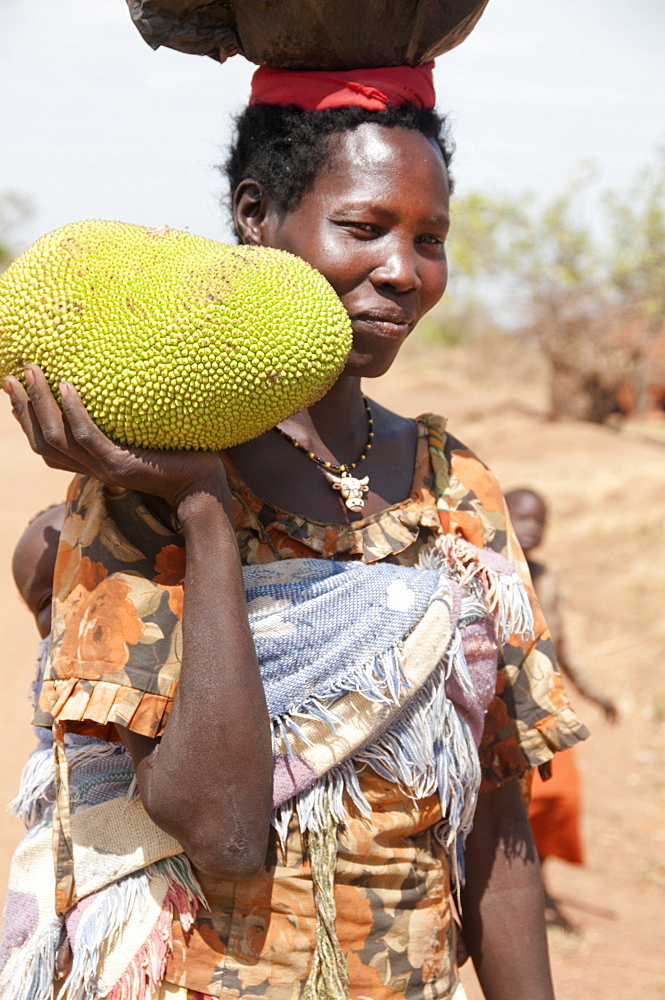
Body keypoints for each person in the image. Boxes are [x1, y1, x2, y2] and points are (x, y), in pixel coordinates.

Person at [2, 64, 589, 1000]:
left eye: (428, 239)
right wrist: (202, 513)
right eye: (363, 228)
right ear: (254, 215)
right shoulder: (146, 485)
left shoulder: (453, 486)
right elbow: (221, 825)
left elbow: (496, 816)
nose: (402, 271)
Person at [505, 487, 618, 927]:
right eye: (522, 517)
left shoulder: (547, 578)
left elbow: (563, 648)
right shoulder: (485, 569)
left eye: (540, 520)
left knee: (559, 800)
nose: (531, 528)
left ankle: (536, 880)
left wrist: (596, 694)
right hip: (501, 706)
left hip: (546, 705)